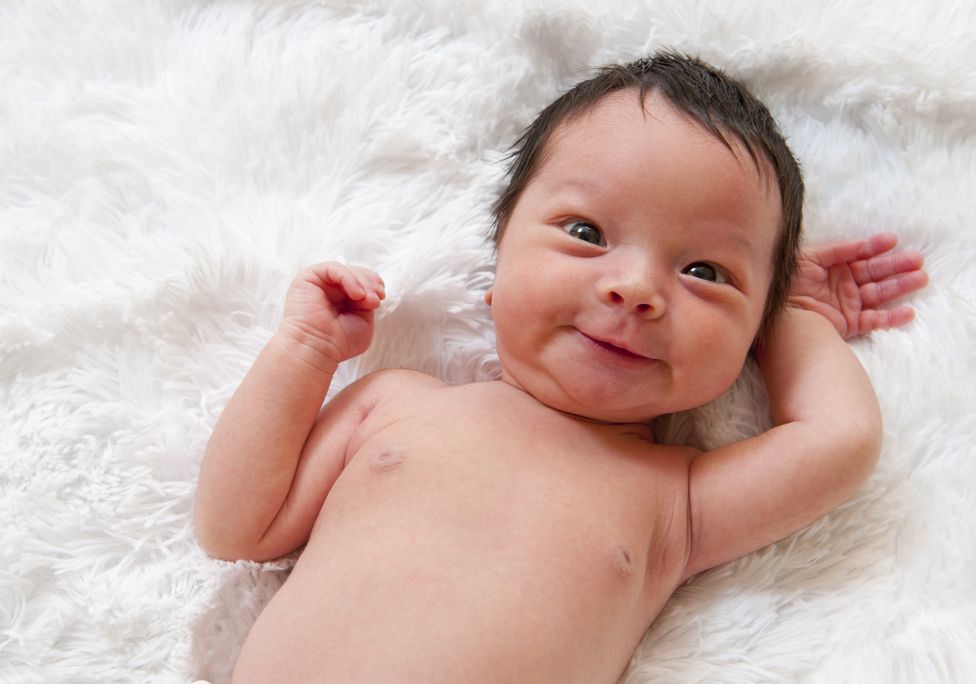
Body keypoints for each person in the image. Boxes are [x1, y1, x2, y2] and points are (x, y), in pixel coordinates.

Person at [194, 51, 928, 683]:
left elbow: (839, 440)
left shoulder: (676, 503)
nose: (636, 289)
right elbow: (236, 528)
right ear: (499, 257)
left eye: (706, 271)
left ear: (748, 344)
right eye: (586, 233)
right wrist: (303, 352)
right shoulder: (395, 403)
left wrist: (792, 317)